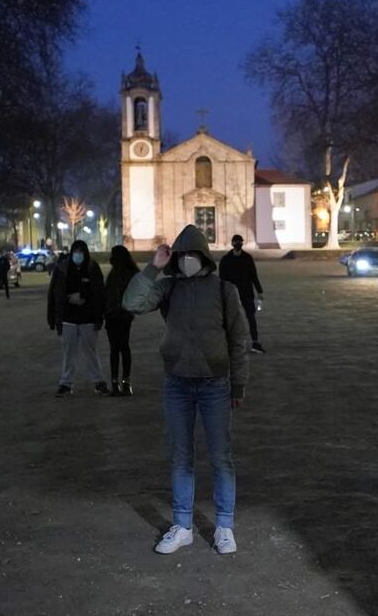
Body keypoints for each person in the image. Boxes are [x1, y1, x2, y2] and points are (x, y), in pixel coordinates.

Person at [124, 225, 250, 555]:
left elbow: (239, 339)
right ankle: (182, 526)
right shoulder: (168, 287)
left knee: (221, 458)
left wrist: (239, 382)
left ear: (205, 257)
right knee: (181, 458)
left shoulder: (225, 290)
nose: (188, 261)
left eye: (193, 255)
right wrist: (155, 266)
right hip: (177, 382)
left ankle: (224, 526)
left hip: (215, 384)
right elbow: (132, 303)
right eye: (183, 256)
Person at [47, 240, 111, 397]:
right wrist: (53, 316)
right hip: (68, 318)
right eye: (76, 251)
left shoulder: (92, 267)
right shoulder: (62, 268)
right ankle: (65, 383)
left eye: (81, 251)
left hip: (88, 317)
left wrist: (85, 299)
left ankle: (98, 382)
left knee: (91, 351)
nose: (78, 254)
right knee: (68, 352)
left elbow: (99, 292)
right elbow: (54, 294)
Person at [218, 234, 265, 354]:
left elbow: (254, 276)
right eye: (236, 242)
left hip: (246, 293)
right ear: (233, 244)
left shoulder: (246, 258)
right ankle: (228, 343)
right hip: (231, 295)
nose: (238, 244)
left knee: (251, 317)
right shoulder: (226, 260)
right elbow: (222, 280)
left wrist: (259, 291)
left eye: (239, 242)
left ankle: (255, 342)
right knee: (230, 319)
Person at [104, 245, 139, 397]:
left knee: (116, 349)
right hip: (122, 315)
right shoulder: (129, 273)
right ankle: (124, 382)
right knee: (123, 348)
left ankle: (116, 383)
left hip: (115, 315)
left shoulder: (116, 274)